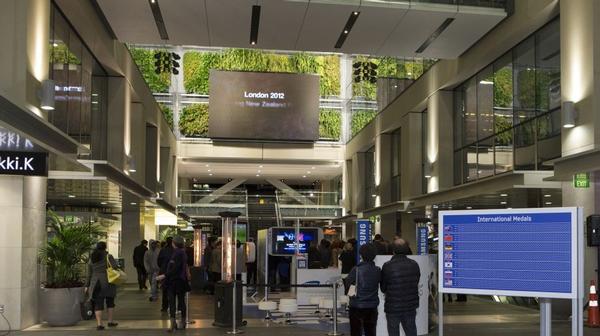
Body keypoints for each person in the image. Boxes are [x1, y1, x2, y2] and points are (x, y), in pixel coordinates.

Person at [380, 239, 421, 336]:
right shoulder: (414, 264)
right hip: (410, 306)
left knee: (393, 332)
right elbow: (416, 282)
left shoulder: (387, 266)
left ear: (393, 250)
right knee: (411, 330)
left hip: (393, 306)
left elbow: (383, 288)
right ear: (407, 250)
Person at [344, 243, 381, 336]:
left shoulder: (355, 269)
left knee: (356, 332)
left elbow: (348, 285)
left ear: (361, 255)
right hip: (372, 306)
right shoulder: (377, 270)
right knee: (371, 331)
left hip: (356, 305)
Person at [157, 236, 191, 332]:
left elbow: (175, 268)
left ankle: (173, 324)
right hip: (181, 281)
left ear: (174, 243)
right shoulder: (182, 252)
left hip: (174, 281)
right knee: (181, 301)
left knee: (172, 302)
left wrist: (164, 275)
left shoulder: (177, 253)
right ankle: (182, 322)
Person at [86, 242, 119, 331]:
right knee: (110, 302)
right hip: (108, 281)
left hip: (95, 282)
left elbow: (89, 273)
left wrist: (87, 285)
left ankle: (99, 324)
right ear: (105, 247)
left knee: (98, 303)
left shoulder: (92, 258)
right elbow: (115, 267)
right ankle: (110, 321)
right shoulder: (108, 256)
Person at [157, 237, 174, 312]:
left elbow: (159, 261)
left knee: (165, 290)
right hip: (173, 272)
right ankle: (172, 306)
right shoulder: (175, 250)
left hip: (164, 272)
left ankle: (164, 307)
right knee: (173, 290)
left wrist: (162, 268)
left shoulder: (163, 250)